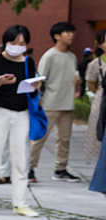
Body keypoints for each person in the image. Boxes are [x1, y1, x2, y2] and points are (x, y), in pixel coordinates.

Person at [0, 25, 41, 217]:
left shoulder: (29, 63)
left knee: (20, 159)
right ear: (6, 41)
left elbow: (30, 90)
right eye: (14, 43)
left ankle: (20, 203)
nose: (18, 47)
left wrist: (35, 87)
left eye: (22, 43)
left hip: (21, 114)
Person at [30, 22, 82, 182]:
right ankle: (29, 169)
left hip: (68, 104)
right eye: (67, 33)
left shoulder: (72, 57)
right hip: (50, 103)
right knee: (40, 137)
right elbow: (40, 80)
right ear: (57, 36)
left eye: (72, 32)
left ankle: (61, 169)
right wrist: (36, 101)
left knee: (65, 139)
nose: (71, 35)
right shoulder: (49, 55)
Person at [84, 29, 106, 166]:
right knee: (99, 134)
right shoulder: (95, 64)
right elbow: (91, 84)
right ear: (100, 44)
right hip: (102, 101)